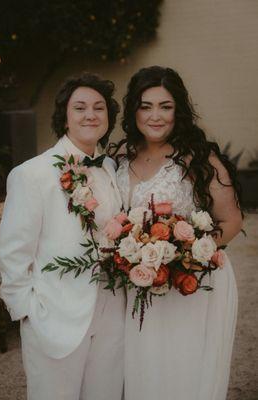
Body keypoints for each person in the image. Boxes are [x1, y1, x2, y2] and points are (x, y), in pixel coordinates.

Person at [114, 66, 242, 400]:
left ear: (178, 111)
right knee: (143, 368)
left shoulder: (199, 157)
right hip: (141, 282)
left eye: (165, 106)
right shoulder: (121, 160)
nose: (155, 116)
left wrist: (187, 254)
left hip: (192, 285)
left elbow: (231, 221)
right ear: (134, 112)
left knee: (184, 371)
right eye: (146, 106)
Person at [0, 73, 125, 400]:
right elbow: (13, 253)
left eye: (99, 107)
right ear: (64, 117)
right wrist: (28, 312)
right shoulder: (32, 174)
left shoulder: (110, 167)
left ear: (108, 117)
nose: (90, 114)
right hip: (54, 317)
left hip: (111, 311)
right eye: (80, 107)